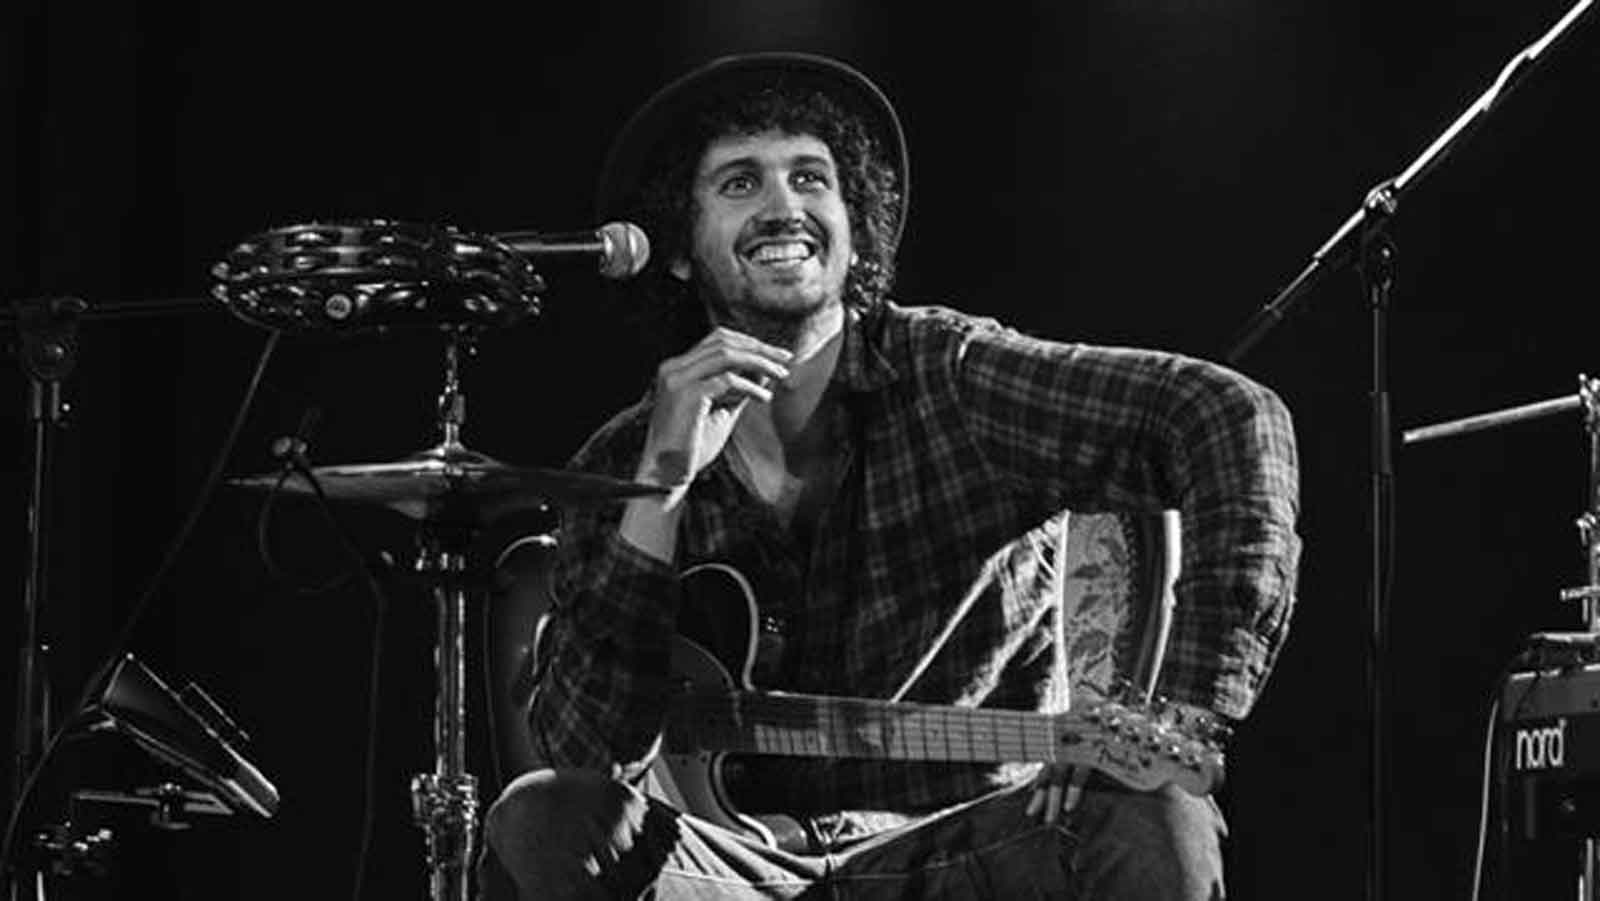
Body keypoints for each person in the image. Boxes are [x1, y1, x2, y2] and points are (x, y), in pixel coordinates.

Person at [479, 51, 1301, 900]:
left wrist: (1188, 712)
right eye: (738, 184)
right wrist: (661, 484)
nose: (783, 206)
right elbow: (587, 759)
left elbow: (1228, 417)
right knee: (538, 818)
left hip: (966, 855)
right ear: (680, 250)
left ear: (854, 222)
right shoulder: (623, 457)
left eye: (811, 177)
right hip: (730, 871)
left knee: (1153, 808)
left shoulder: (952, 376)